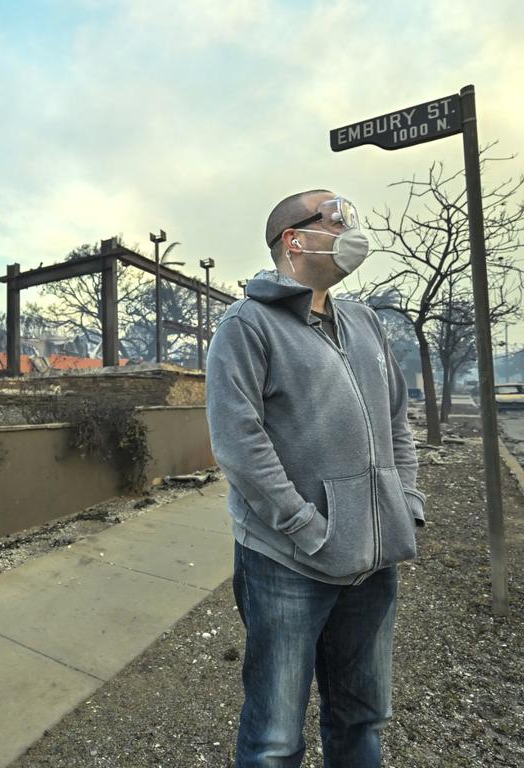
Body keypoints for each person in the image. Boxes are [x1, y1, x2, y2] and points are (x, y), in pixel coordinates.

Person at [205, 190, 426, 767]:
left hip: (374, 561)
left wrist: (406, 501)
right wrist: (307, 527)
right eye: (335, 220)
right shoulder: (245, 325)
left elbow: (397, 419)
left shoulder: (365, 322)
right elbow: (239, 443)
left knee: (361, 719)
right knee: (275, 739)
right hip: (287, 562)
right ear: (294, 240)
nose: (349, 229)